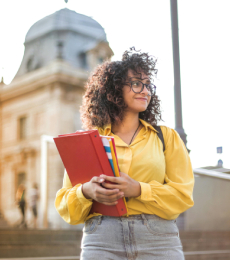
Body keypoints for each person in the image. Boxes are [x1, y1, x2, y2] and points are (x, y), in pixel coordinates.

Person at [55, 48, 194, 259]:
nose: (145, 90)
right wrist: (86, 192)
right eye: (137, 83)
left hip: (158, 239)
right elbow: (66, 205)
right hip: (101, 239)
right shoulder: (88, 141)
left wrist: (139, 189)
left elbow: (182, 196)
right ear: (113, 89)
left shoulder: (166, 137)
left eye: (148, 85)